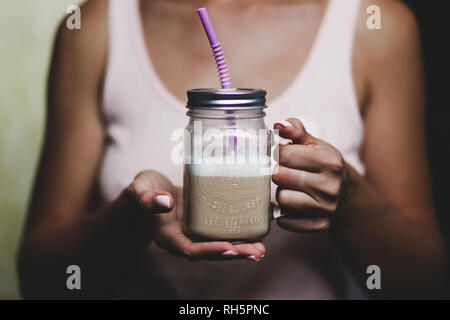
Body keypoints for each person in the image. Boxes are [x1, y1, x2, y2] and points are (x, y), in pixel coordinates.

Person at [18, 0, 447, 299]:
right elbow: (43, 284)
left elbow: (426, 285)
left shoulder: (376, 23)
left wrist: (349, 200)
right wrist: (132, 218)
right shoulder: (95, 24)